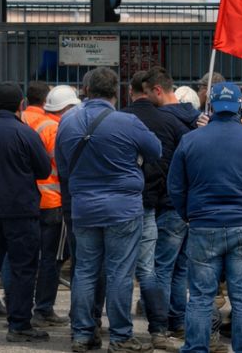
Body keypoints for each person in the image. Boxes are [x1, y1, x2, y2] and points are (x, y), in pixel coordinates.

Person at [169, 82, 242, 353]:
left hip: (203, 225)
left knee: (200, 297)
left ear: (212, 107)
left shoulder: (191, 140)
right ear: (239, 106)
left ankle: (196, 348)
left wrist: (188, 215)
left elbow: (175, 186)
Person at [56, 66, 162, 353]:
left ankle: (81, 334)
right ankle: (120, 337)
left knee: (85, 272)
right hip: (123, 210)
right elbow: (156, 151)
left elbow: (63, 168)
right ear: (115, 92)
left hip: (84, 208)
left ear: (86, 90)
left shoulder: (67, 122)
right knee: (119, 273)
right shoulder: (127, 122)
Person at [0, 81, 53, 343]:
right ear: (21, 105)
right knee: (22, 269)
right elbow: (43, 170)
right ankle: (19, 324)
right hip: (20, 210)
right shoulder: (26, 134)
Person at [123, 69, 189, 351]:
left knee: (148, 268)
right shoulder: (183, 122)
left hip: (145, 203)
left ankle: (157, 322)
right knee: (177, 268)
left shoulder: (123, 120)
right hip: (176, 204)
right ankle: (173, 322)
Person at [138, 66, 196, 343]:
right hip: (188, 206)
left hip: (166, 203)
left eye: (147, 93)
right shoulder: (195, 118)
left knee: (161, 267)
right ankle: (179, 320)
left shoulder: (161, 121)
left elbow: (158, 165)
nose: (146, 99)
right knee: (181, 268)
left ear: (157, 90)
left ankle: (161, 324)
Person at [23, 81, 70, 327]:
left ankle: (19, 303)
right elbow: (62, 167)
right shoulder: (53, 128)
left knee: (26, 256)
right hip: (53, 201)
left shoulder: (24, 121)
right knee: (52, 259)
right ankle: (43, 308)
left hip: (28, 200)